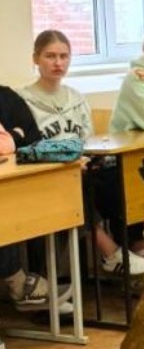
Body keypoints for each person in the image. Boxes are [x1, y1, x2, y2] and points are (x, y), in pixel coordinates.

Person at [19, 30, 144, 275]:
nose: (58, 63)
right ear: (36, 58)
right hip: (47, 173)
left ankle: (135, 245)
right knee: (76, 183)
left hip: (85, 165)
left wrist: (90, 159)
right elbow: (28, 147)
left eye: (64, 56)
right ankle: (109, 252)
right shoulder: (23, 100)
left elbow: (89, 139)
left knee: (121, 176)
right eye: (50, 56)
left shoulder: (76, 98)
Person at [0, 84, 73, 330]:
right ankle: (18, 281)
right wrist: (15, 136)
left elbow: (23, 140)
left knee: (55, 195)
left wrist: (16, 137)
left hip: (11, 182)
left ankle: (34, 284)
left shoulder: (6, 96)